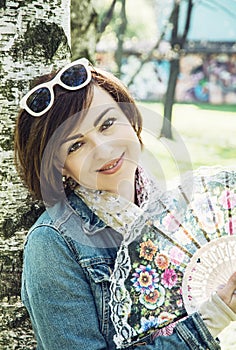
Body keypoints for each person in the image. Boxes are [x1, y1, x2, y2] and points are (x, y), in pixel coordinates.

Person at [14, 58, 236, 350]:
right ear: (61, 167)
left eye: (107, 124)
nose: (103, 149)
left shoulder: (164, 207)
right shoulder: (53, 245)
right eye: (76, 145)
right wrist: (211, 319)